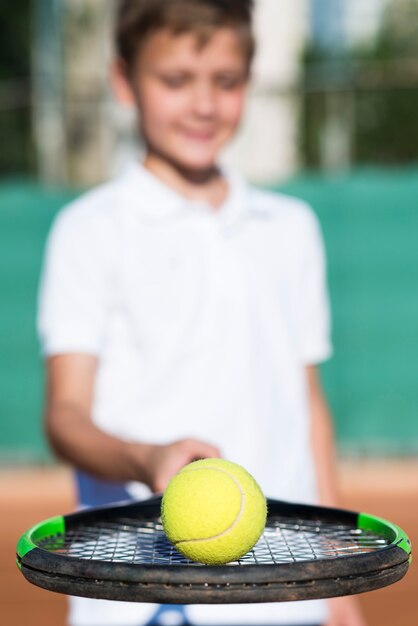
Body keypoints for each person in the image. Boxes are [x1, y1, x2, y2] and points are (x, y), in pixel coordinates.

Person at [37, 1, 366, 626]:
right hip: (142, 600)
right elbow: (65, 416)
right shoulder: (88, 230)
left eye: (226, 81)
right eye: (175, 80)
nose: (204, 105)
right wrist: (147, 460)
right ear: (122, 79)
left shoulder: (292, 227)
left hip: (286, 601)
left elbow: (307, 409)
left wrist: (338, 589)